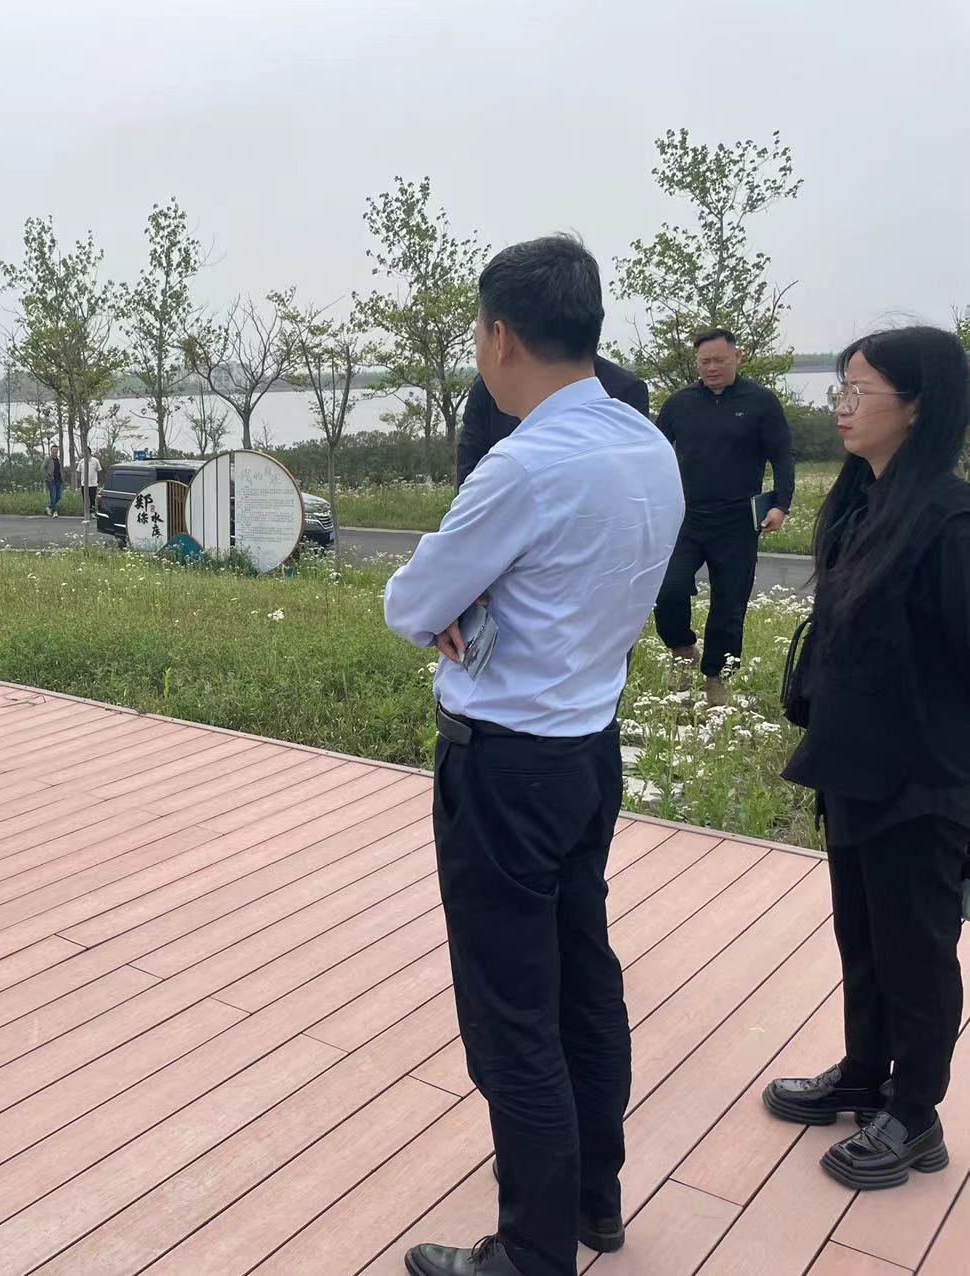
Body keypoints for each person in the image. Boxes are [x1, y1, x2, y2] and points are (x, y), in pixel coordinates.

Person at [385, 236, 684, 1276]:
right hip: (588, 752)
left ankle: (531, 1251)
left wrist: (459, 597)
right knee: (582, 978)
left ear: (501, 336)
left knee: (511, 1014)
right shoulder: (645, 443)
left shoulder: (523, 464)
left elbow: (410, 602)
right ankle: (593, 1198)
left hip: (505, 767)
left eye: (478, 330)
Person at [763, 326, 970, 1191]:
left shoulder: (950, 523)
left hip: (923, 781)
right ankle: (864, 1074)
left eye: (860, 392)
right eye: (839, 390)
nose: (841, 408)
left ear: (917, 408)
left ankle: (915, 1113)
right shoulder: (863, 502)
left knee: (917, 949)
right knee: (864, 937)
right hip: (853, 764)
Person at [652, 329, 796, 706]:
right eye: (705, 362)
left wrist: (781, 504)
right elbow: (653, 451)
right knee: (668, 589)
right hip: (685, 517)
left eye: (719, 360)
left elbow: (782, 454)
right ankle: (682, 648)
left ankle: (717, 678)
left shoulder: (761, 402)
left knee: (730, 605)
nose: (712, 368)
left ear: (737, 357)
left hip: (737, 520)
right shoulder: (679, 403)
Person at [457, 354, 650, 485]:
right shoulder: (490, 385)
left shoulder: (626, 389)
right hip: (498, 521)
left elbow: (632, 477)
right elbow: (469, 463)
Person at [78, 446, 101, 520]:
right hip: (84, 484)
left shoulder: (95, 461)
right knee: (85, 500)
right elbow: (79, 472)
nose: (85, 453)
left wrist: (98, 482)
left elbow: (99, 471)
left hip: (93, 484)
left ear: (89, 452)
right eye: (84, 452)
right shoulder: (81, 461)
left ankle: (92, 513)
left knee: (92, 499)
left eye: (87, 451)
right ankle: (86, 513)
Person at [44, 443, 64, 516]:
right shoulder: (48, 459)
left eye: (56, 450)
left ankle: (49, 507)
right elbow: (42, 468)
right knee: (53, 496)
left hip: (58, 480)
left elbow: (60, 470)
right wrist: (47, 476)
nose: (55, 451)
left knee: (58, 497)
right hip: (51, 480)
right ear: (51, 451)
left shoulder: (58, 460)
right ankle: (55, 511)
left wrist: (62, 479)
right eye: (53, 450)